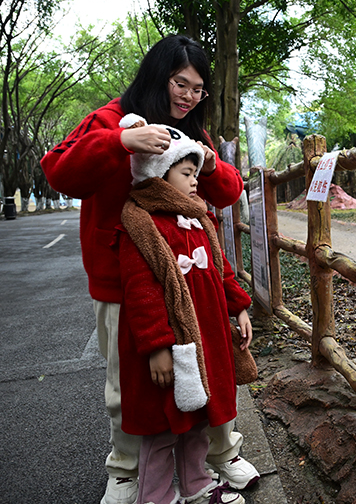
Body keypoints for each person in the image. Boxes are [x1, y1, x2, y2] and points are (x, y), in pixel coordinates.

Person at [41, 35, 260, 504]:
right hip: (122, 282)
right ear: (157, 76)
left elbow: (227, 189)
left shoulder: (192, 133)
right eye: (181, 83)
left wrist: (204, 160)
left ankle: (222, 456)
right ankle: (126, 472)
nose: (188, 96)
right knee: (129, 386)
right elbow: (58, 171)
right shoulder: (109, 119)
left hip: (195, 282)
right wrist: (120, 141)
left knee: (210, 369)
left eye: (198, 89)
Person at [117, 131, 251, 504]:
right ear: (159, 175)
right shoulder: (141, 223)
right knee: (162, 428)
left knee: (197, 420)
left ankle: (196, 483)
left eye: (195, 173)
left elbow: (221, 269)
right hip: (169, 344)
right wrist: (157, 346)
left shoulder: (200, 220)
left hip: (203, 338)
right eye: (187, 173)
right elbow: (139, 292)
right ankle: (156, 496)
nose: (195, 181)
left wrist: (237, 306)